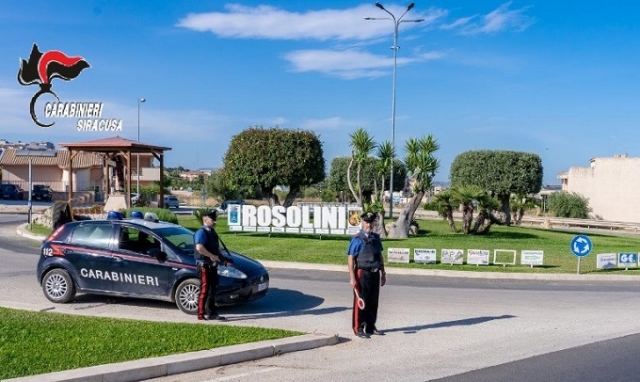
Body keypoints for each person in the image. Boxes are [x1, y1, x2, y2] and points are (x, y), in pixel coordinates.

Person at [347, 211, 387, 338]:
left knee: (373, 302)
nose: (369, 225)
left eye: (371, 222)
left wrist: (383, 273)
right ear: (362, 223)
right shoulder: (357, 239)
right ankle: (358, 328)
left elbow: (379, 256)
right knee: (361, 301)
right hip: (362, 272)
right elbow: (351, 259)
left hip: (375, 273)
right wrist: (352, 278)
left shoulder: (376, 238)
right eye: (366, 222)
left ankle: (370, 326)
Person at [194, 210, 228, 321]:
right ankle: (200, 314)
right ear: (205, 220)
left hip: (212, 266)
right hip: (204, 266)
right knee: (204, 290)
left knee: (213, 289)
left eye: (215, 220)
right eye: (213, 220)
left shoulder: (212, 232)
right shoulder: (201, 232)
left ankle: (212, 312)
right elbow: (199, 248)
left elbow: (217, 250)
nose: (215, 222)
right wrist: (210, 256)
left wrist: (224, 260)